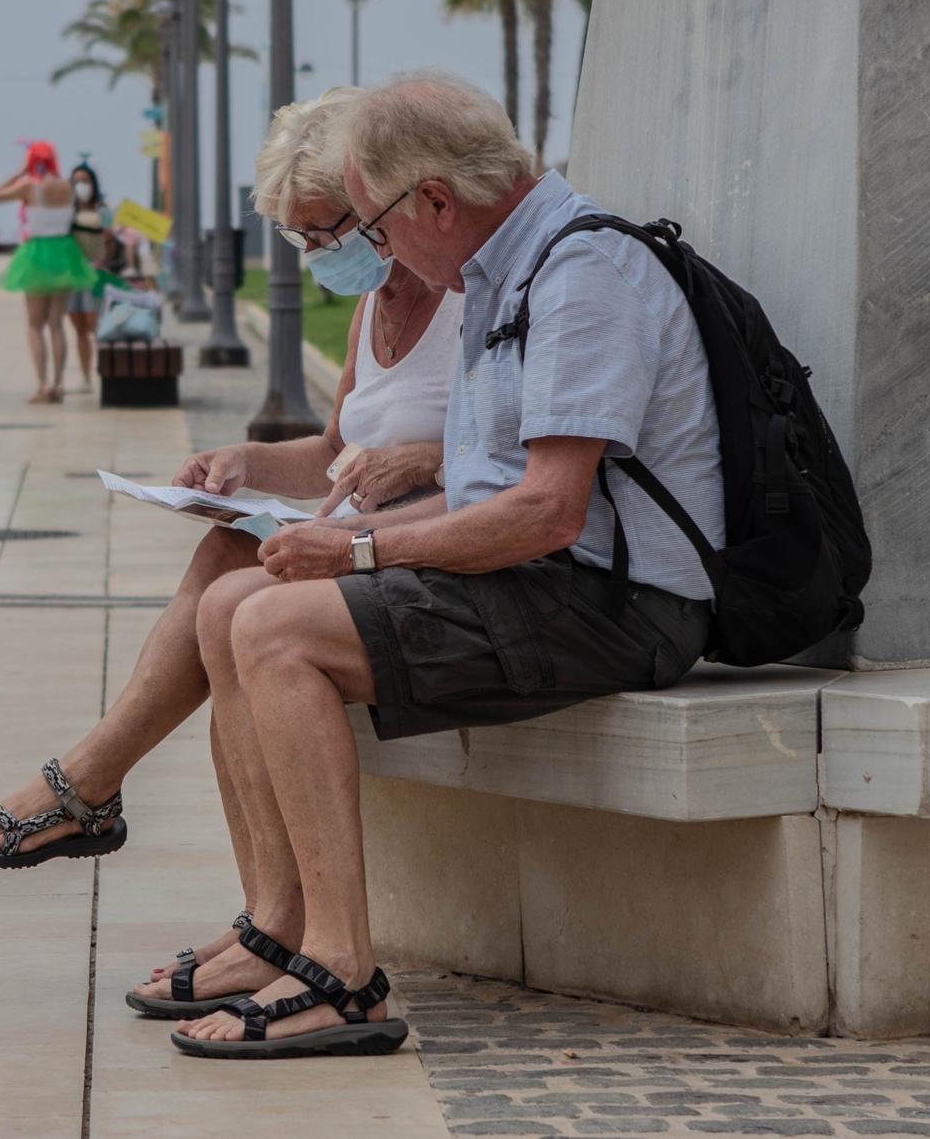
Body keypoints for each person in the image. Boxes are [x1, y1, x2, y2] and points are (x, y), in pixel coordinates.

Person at [158, 69, 724, 1058]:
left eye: (373, 229)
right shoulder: (505, 270)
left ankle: (340, 971)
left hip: (614, 602)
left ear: (431, 199)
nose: (380, 255)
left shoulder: (577, 272)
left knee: (270, 625)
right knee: (232, 605)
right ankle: (279, 928)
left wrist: (361, 546)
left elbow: (548, 513)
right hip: (545, 580)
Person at [0, 87, 462, 1017]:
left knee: (244, 595)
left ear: (373, 196)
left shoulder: (469, 300)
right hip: (367, 537)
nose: (314, 256)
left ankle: (97, 791)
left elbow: (515, 454)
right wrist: (247, 461)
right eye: (298, 239)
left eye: (321, 230)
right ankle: (254, 909)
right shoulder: (380, 299)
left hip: (429, 547)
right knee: (233, 544)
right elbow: (333, 449)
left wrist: (424, 458)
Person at [0, 140, 97, 403]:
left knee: (34, 325)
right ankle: (59, 384)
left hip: (37, 252)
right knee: (56, 324)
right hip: (64, 252)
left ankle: (42, 384)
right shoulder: (66, 186)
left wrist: (20, 171)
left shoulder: (30, 186)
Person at [63, 162, 115, 392]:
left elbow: (109, 240)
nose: (81, 186)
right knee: (79, 329)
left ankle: (104, 372)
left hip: (94, 273)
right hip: (72, 275)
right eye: (76, 181)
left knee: (96, 326)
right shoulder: (67, 210)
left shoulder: (102, 210)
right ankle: (85, 377)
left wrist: (104, 262)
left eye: (85, 181)